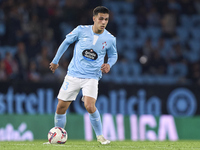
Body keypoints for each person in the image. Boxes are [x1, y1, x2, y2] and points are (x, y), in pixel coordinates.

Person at [45, 6, 118, 145]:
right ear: (94, 18)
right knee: (61, 107)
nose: (103, 22)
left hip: (92, 77)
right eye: (101, 19)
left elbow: (114, 55)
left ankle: (100, 136)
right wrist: (55, 61)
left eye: (106, 19)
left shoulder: (110, 38)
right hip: (73, 74)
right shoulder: (81, 30)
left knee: (89, 106)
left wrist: (109, 64)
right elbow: (66, 42)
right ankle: (57, 137)